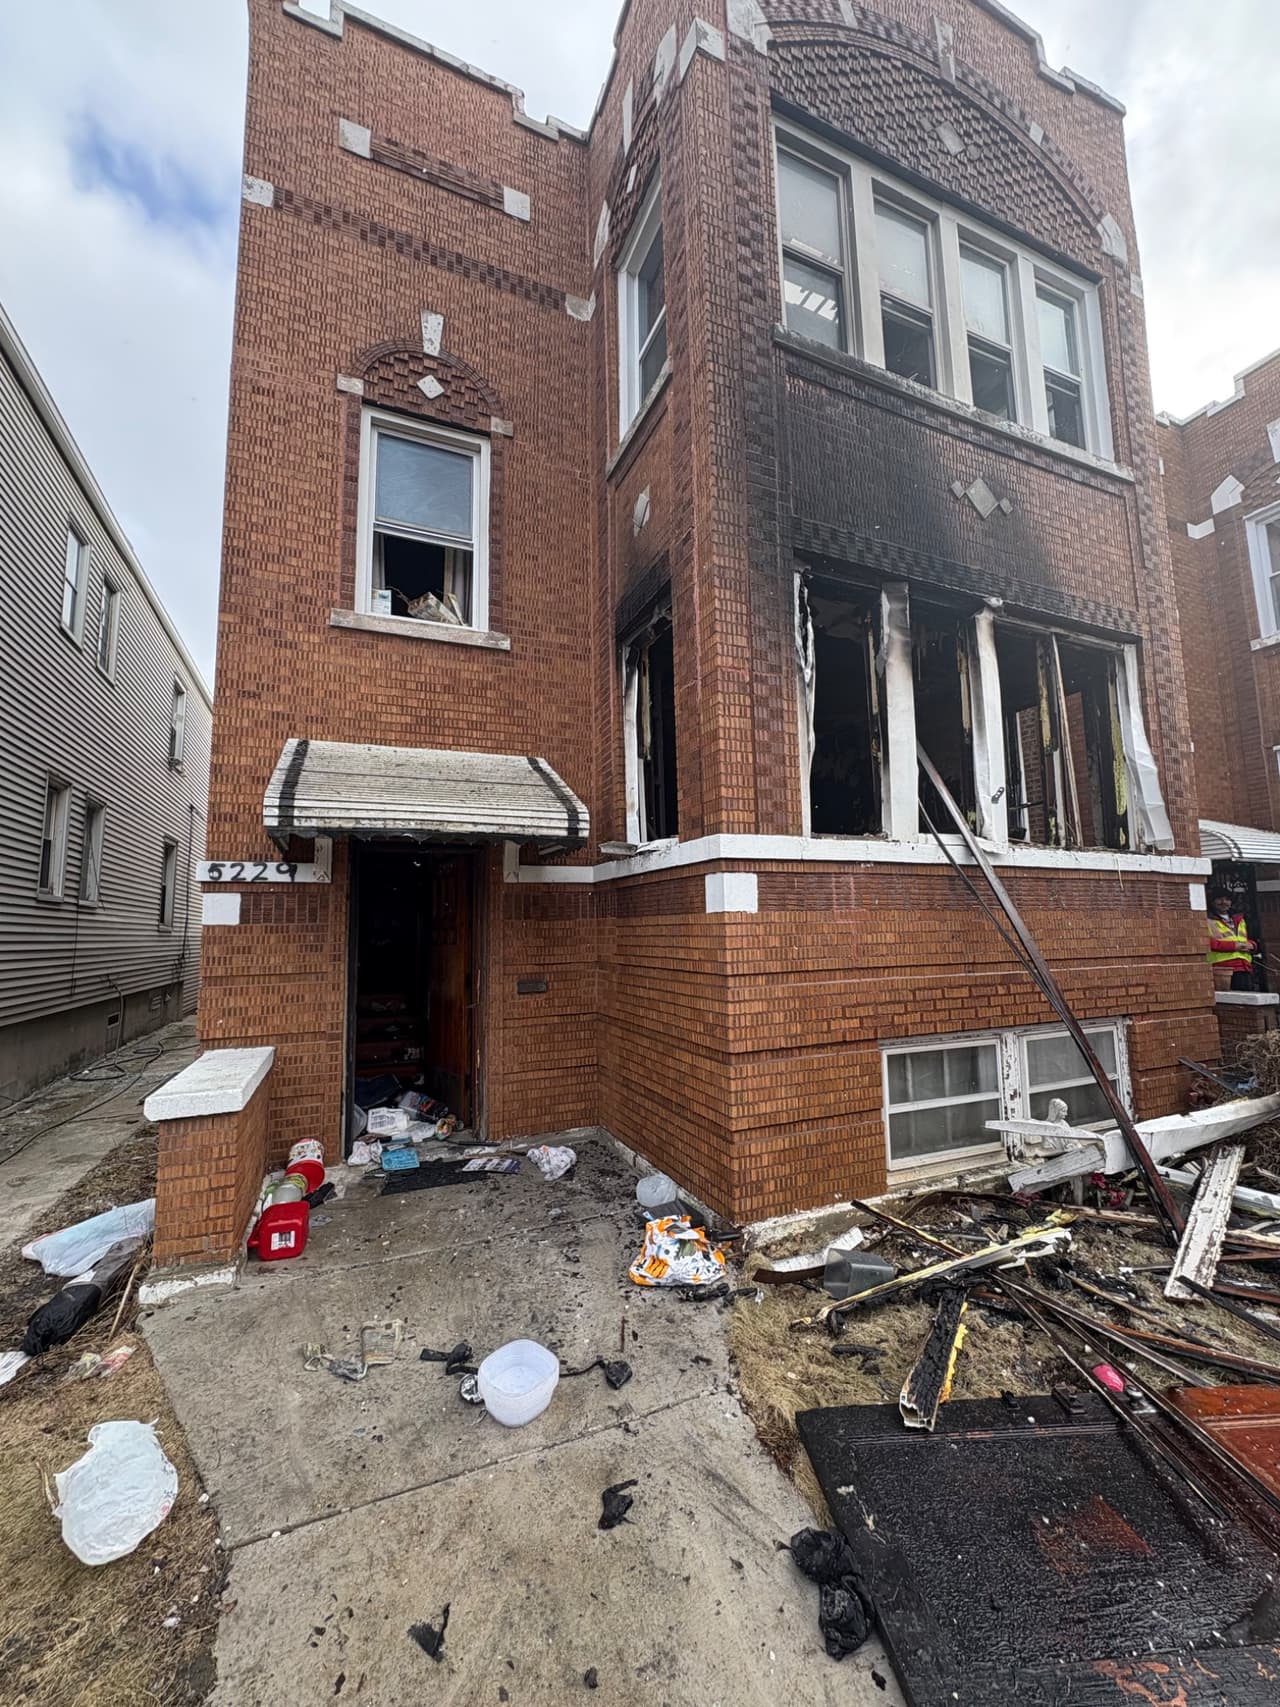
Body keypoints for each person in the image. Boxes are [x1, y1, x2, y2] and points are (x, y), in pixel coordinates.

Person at [1207, 890, 1257, 991]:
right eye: (1219, 899)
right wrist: (1234, 946)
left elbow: (1251, 938)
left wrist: (1252, 945)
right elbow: (1206, 943)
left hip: (1244, 967)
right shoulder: (1207, 920)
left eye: (1227, 899)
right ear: (1212, 902)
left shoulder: (1240, 919)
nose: (1223, 902)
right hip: (1223, 968)